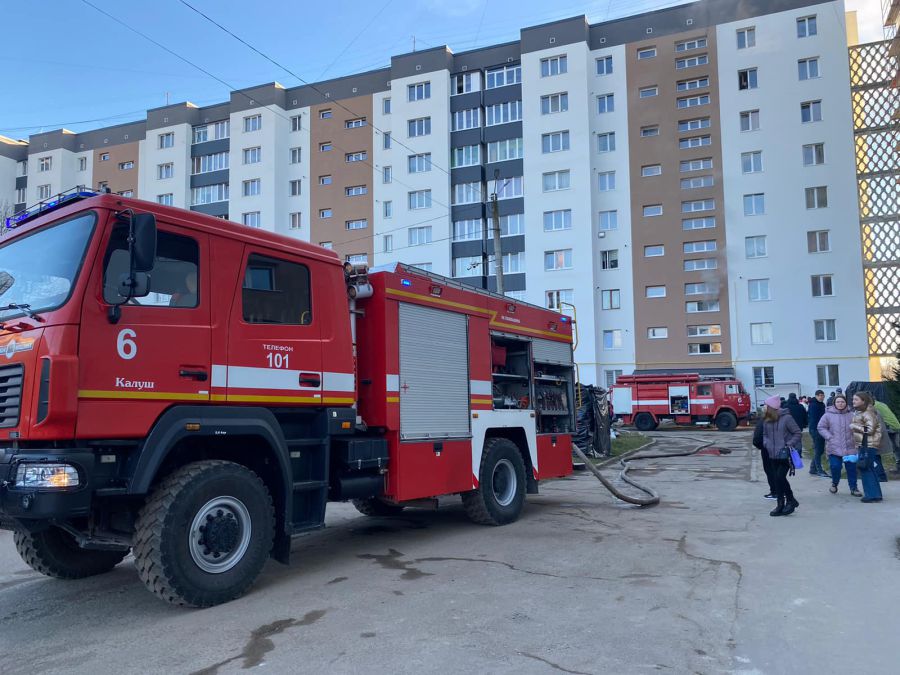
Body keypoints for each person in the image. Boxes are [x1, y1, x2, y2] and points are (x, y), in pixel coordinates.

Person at [760, 395, 802, 517]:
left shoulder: (787, 418)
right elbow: (764, 434)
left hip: (785, 454)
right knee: (777, 479)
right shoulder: (767, 419)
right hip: (771, 454)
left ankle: (790, 500)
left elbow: (797, 433)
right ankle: (781, 503)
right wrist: (766, 443)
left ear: (772, 407)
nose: (764, 408)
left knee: (779, 477)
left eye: (766, 405)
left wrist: (788, 444)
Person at [817, 394, 859, 496]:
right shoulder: (828, 415)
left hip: (850, 447)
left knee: (851, 469)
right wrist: (830, 437)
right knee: (835, 467)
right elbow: (821, 427)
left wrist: (856, 438)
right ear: (834, 403)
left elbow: (858, 428)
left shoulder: (852, 415)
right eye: (838, 402)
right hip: (834, 447)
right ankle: (834, 483)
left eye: (842, 402)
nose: (840, 404)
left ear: (846, 403)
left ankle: (854, 488)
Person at [850, 392, 883, 503]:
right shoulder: (860, 412)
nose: (853, 401)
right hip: (865, 444)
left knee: (865, 468)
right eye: (853, 399)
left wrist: (854, 426)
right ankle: (876, 494)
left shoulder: (867, 413)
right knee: (869, 468)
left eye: (856, 399)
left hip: (868, 445)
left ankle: (871, 495)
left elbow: (870, 430)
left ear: (863, 401)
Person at [753, 416, 778, 500]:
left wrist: (761, 446)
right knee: (779, 470)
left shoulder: (764, 420)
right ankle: (782, 491)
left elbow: (757, 437)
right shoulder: (784, 417)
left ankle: (775, 492)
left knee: (770, 470)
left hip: (767, 449)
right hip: (780, 449)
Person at [872, 399, 900, 475]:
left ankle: (879, 473)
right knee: (896, 448)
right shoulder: (881, 404)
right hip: (895, 425)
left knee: (896, 448)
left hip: (890, 427)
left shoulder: (873, 407)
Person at [807, 390, 828, 477]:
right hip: (815, 429)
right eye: (820, 395)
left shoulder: (822, 404)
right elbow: (816, 418)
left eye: (823, 395)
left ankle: (813, 468)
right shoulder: (813, 405)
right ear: (816, 396)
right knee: (818, 449)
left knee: (820, 450)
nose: (821, 397)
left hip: (821, 429)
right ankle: (819, 469)